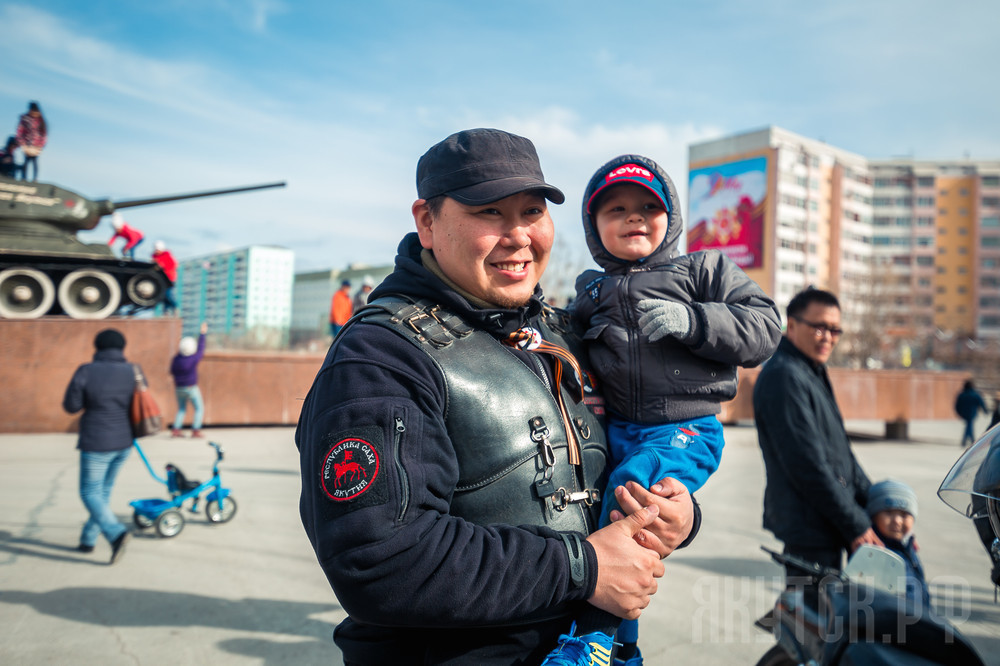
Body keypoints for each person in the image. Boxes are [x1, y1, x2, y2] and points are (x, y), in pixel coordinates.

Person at [295, 128, 699, 665]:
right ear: (427, 222)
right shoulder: (381, 357)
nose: (518, 236)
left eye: (532, 212)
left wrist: (678, 511)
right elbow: (381, 560)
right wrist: (585, 567)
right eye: (489, 213)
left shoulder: (563, 332)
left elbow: (638, 446)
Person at [545, 156, 782, 664]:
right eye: (617, 209)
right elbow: (566, 342)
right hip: (618, 425)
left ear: (671, 218)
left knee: (629, 496)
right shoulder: (590, 290)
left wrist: (694, 321)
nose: (634, 217)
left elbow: (765, 327)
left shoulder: (701, 270)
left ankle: (594, 635)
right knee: (595, 514)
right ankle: (620, 648)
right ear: (594, 227)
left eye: (649, 207)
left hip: (684, 428)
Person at [753, 287, 882, 578]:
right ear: (793, 325)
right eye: (820, 327)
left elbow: (841, 453)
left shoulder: (810, 370)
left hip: (827, 520)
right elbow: (806, 465)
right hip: (809, 525)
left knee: (826, 616)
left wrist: (877, 504)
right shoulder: (784, 376)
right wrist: (855, 524)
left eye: (835, 330)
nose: (828, 337)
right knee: (810, 618)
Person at [62, 329, 135, 564]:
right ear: (122, 348)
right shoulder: (133, 371)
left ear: (97, 347)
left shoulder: (86, 370)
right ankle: (88, 539)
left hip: (97, 442)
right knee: (102, 493)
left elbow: (71, 406)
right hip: (124, 442)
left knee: (89, 493)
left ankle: (116, 533)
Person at [866, 479, 930, 609]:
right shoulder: (873, 552)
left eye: (904, 514)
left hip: (917, 619)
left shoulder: (908, 547)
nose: (897, 521)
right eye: (888, 513)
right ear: (873, 516)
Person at [170, 322, 208, 438]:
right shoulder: (193, 359)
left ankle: (176, 429)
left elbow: (171, 371)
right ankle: (196, 430)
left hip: (178, 388)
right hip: (191, 387)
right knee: (199, 408)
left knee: (181, 409)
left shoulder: (176, 359)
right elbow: (201, 349)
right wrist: (202, 334)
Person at [15, 101, 46, 182]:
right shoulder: (25, 119)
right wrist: (22, 143)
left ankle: (35, 179)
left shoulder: (40, 120)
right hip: (27, 145)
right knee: (26, 161)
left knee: (34, 162)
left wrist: (41, 146)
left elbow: (44, 134)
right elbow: (20, 131)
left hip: (36, 146)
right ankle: (24, 178)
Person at [955, 380, 987, 447]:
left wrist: (959, 413)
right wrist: (985, 411)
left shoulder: (962, 394)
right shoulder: (975, 394)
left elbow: (957, 405)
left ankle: (967, 440)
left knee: (969, 425)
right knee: (969, 425)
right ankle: (971, 440)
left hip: (964, 413)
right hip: (973, 413)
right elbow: (981, 403)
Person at [152, 240, 179, 316]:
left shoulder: (167, 255)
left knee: (168, 294)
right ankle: (166, 311)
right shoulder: (154, 256)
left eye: (158, 250)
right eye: (156, 249)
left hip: (169, 278)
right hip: (161, 279)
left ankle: (175, 307)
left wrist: (162, 266)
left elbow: (174, 265)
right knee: (163, 296)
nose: (157, 251)